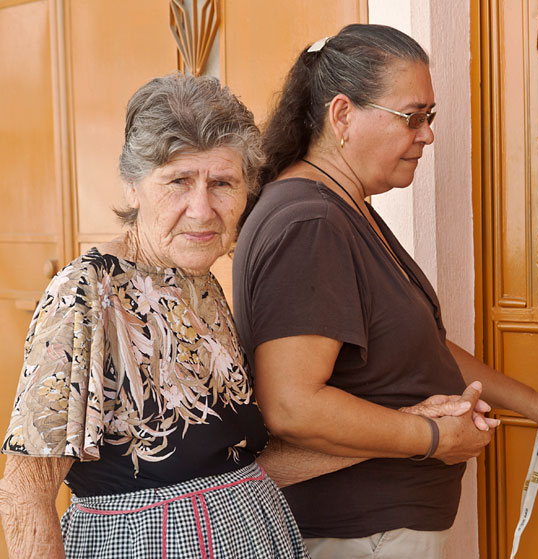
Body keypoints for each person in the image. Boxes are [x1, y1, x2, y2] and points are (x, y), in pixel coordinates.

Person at [232, 24, 538, 559]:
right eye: (411, 117)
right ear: (342, 116)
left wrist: (532, 404)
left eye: (430, 118)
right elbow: (292, 406)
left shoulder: (345, 209)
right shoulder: (311, 221)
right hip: (356, 535)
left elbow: (420, 351)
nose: (427, 135)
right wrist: (435, 439)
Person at [0, 74, 313, 559]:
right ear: (132, 187)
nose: (202, 209)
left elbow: (230, 467)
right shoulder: (87, 293)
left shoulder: (198, 279)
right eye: (178, 181)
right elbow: (26, 492)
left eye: (223, 183)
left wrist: (405, 435)